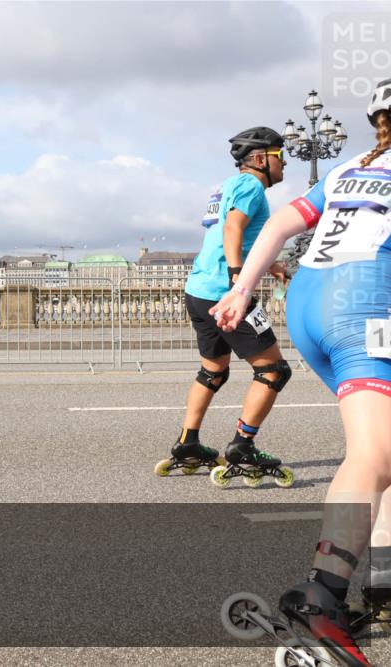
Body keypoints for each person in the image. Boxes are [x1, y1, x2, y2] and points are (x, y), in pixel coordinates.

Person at [211, 78, 391, 666]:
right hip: (366, 300)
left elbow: (281, 224)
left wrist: (241, 288)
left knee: (387, 447)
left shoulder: (347, 168)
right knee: (375, 454)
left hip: (313, 305)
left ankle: (384, 584)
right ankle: (323, 595)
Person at [158, 127, 292, 477]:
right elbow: (233, 229)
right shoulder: (251, 186)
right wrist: (238, 280)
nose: (285, 162)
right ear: (262, 158)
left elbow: (233, 236)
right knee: (274, 370)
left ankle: (188, 442)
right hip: (226, 293)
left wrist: (271, 264)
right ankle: (243, 446)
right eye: (280, 155)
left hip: (200, 291)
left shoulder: (227, 186)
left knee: (213, 370)